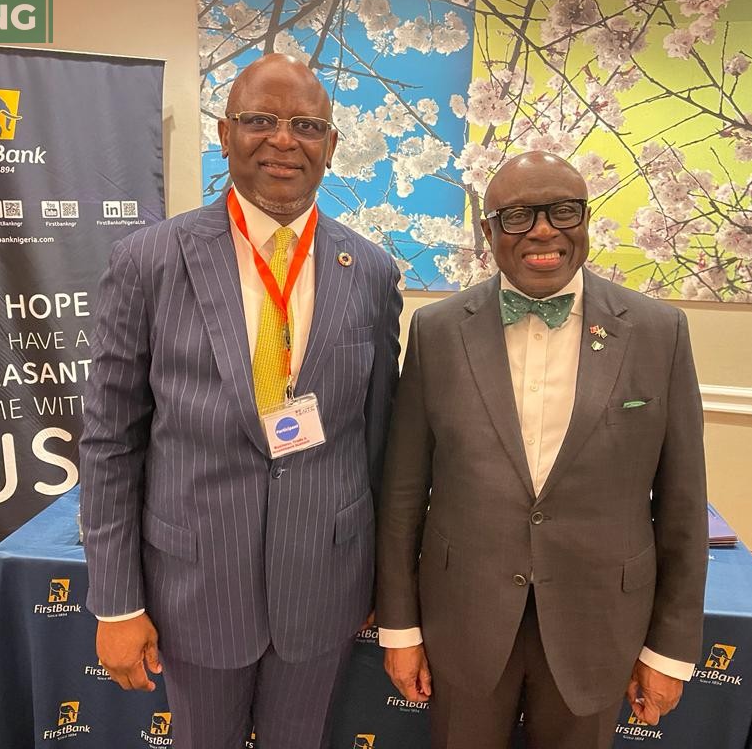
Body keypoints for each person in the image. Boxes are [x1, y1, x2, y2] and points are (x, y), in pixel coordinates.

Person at [80, 53, 402, 748]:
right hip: (195, 582)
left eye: (306, 125)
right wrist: (115, 601)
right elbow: (110, 443)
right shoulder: (149, 262)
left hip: (324, 584)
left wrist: (383, 581)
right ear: (224, 135)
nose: (283, 140)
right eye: (260, 120)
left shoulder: (372, 272)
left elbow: (380, 443)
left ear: (331, 146)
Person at [376, 152, 707, 749]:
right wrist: (400, 628)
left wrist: (671, 650)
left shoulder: (660, 333)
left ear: (585, 220)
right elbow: (402, 494)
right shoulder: (437, 331)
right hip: (465, 618)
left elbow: (683, 504)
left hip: (599, 623)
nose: (544, 230)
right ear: (488, 231)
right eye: (519, 216)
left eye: (562, 211)